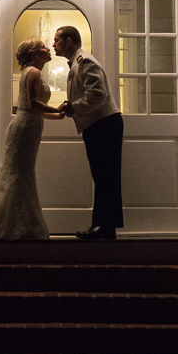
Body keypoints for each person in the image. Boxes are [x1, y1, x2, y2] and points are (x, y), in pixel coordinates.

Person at [0, 38, 64, 240]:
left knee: (23, 173)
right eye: (42, 46)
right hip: (24, 128)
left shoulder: (34, 72)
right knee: (19, 173)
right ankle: (17, 226)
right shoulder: (33, 72)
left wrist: (57, 115)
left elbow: (35, 109)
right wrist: (56, 109)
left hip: (30, 126)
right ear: (33, 53)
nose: (48, 48)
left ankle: (20, 223)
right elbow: (32, 104)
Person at [54, 25, 124, 240]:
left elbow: (98, 93)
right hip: (99, 124)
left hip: (104, 124)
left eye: (56, 40)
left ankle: (104, 228)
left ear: (68, 41)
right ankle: (104, 227)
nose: (53, 45)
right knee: (103, 176)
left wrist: (74, 107)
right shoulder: (78, 62)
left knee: (105, 176)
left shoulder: (86, 62)